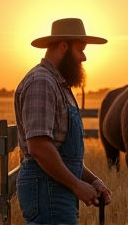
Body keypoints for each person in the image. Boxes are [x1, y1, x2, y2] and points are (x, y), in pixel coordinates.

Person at [14, 18, 111, 225]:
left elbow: (64, 156)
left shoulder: (59, 85)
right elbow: (39, 147)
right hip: (46, 191)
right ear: (63, 46)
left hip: (56, 189)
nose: (84, 57)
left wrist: (91, 180)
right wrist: (76, 185)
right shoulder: (41, 82)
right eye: (80, 49)